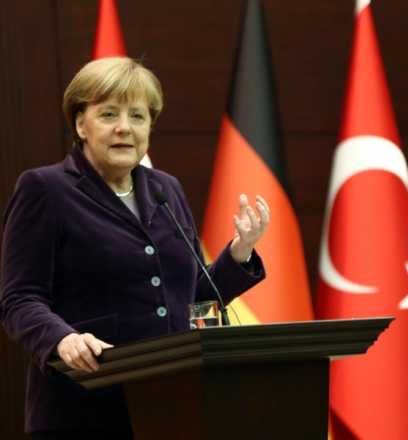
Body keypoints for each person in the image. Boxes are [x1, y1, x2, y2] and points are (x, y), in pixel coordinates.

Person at [0, 57, 270, 440]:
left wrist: (239, 254)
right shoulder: (45, 189)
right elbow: (18, 298)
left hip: (174, 405)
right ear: (81, 124)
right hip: (85, 407)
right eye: (108, 114)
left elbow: (189, 300)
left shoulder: (166, 189)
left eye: (138, 116)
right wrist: (61, 339)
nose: (124, 128)